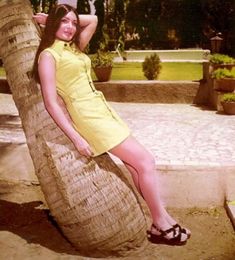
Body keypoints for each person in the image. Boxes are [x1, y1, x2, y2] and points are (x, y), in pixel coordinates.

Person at [33, 4, 190, 246]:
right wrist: (77, 138)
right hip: (89, 119)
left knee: (135, 165)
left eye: (73, 23)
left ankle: (163, 218)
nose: (70, 27)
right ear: (54, 24)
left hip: (103, 112)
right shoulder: (49, 56)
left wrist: (50, 18)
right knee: (145, 161)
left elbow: (93, 20)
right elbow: (51, 102)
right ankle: (160, 222)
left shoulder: (74, 49)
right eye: (63, 22)